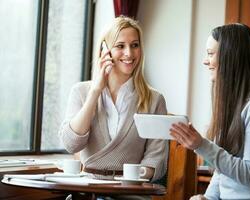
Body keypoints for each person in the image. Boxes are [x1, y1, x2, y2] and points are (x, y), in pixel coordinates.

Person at [170, 23, 250, 200]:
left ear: (231, 58)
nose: (205, 61)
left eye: (210, 53)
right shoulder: (233, 105)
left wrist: (202, 145)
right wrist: (208, 198)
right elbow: (224, 171)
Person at [59, 16, 168, 185]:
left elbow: (157, 159)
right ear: (105, 50)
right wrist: (95, 91)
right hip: (88, 190)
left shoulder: (155, 100)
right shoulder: (81, 91)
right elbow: (71, 144)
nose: (129, 53)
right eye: (120, 46)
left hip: (130, 192)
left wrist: (131, 176)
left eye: (135, 45)